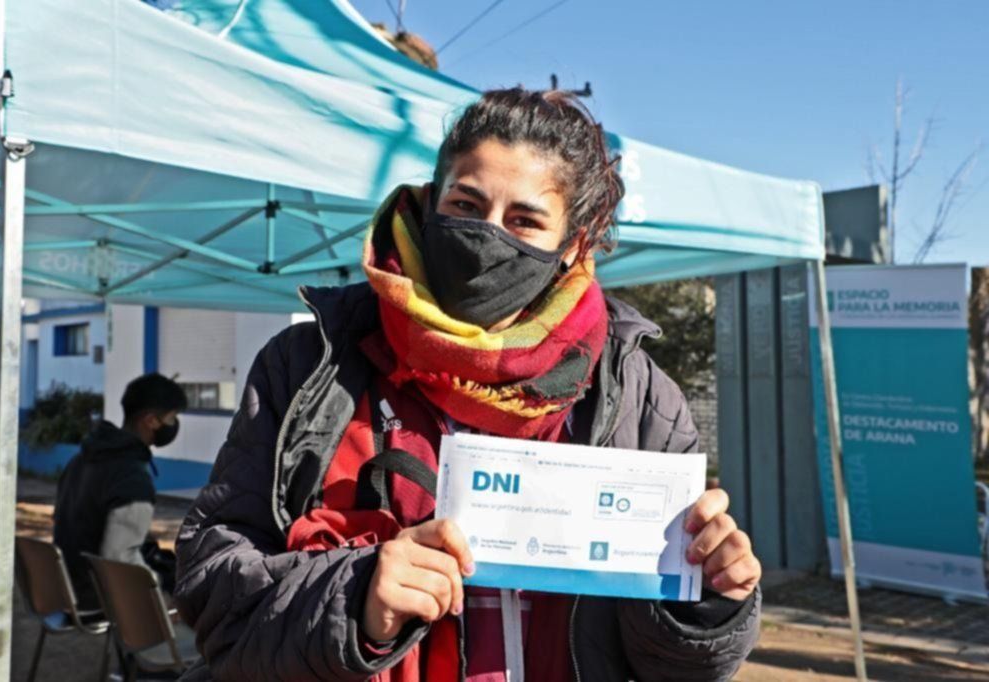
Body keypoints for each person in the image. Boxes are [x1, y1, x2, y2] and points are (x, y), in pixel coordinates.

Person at [174, 89, 762, 681]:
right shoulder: (311, 365)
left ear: (573, 245)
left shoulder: (637, 394)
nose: (487, 234)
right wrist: (356, 596)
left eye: (525, 221)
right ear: (431, 204)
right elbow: (215, 589)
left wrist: (711, 600)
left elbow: (678, 666)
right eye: (466, 204)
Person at [54, 372, 186, 610]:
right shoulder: (131, 478)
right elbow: (119, 560)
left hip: (67, 585)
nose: (174, 425)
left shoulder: (81, 459)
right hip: (98, 596)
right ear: (151, 420)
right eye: (171, 418)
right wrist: (161, 592)